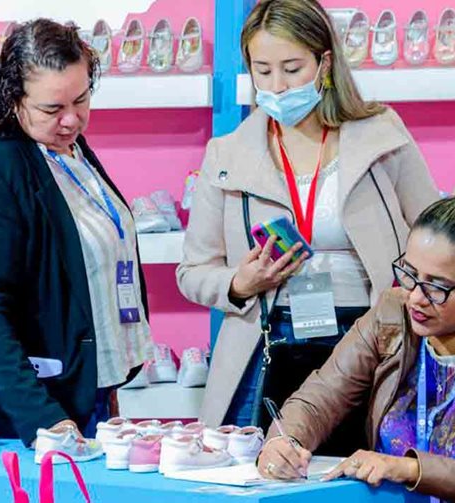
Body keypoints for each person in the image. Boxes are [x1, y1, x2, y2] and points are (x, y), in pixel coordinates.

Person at [176, 0, 438, 451]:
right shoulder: (227, 154)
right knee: (268, 476)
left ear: (325, 62)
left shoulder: (381, 134)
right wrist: (239, 282)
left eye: (292, 68)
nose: (276, 86)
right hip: (268, 342)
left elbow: (435, 234)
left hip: (371, 337)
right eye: (262, 71)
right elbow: (193, 271)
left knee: (369, 476)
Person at [256, 183, 455, 502]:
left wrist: (408, 469)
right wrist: (285, 442)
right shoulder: (391, 315)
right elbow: (321, 396)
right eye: (409, 274)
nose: (416, 298)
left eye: (437, 287)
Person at [0, 19, 152, 447]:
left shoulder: (65, 149)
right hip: (26, 410)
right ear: (13, 98)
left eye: (81, 99)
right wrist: (42, 417)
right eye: (52, 109)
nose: (72, 119)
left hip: (82, 389)